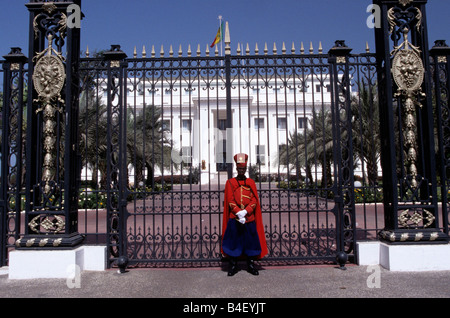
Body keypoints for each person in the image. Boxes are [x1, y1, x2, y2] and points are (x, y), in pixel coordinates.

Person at [222, 153, 268, 276]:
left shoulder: (251, 182)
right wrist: (238, 213)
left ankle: (251, 265)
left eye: (243, 169)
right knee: (233, 242)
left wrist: (246, 211)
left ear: (246, 169)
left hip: (249, 218)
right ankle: (233, 266)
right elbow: (230, 200)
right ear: (236, 169)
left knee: (251, 242)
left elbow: (254, 200)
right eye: (239, 169)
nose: (241, 171)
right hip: (235, 218)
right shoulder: (230, 183)